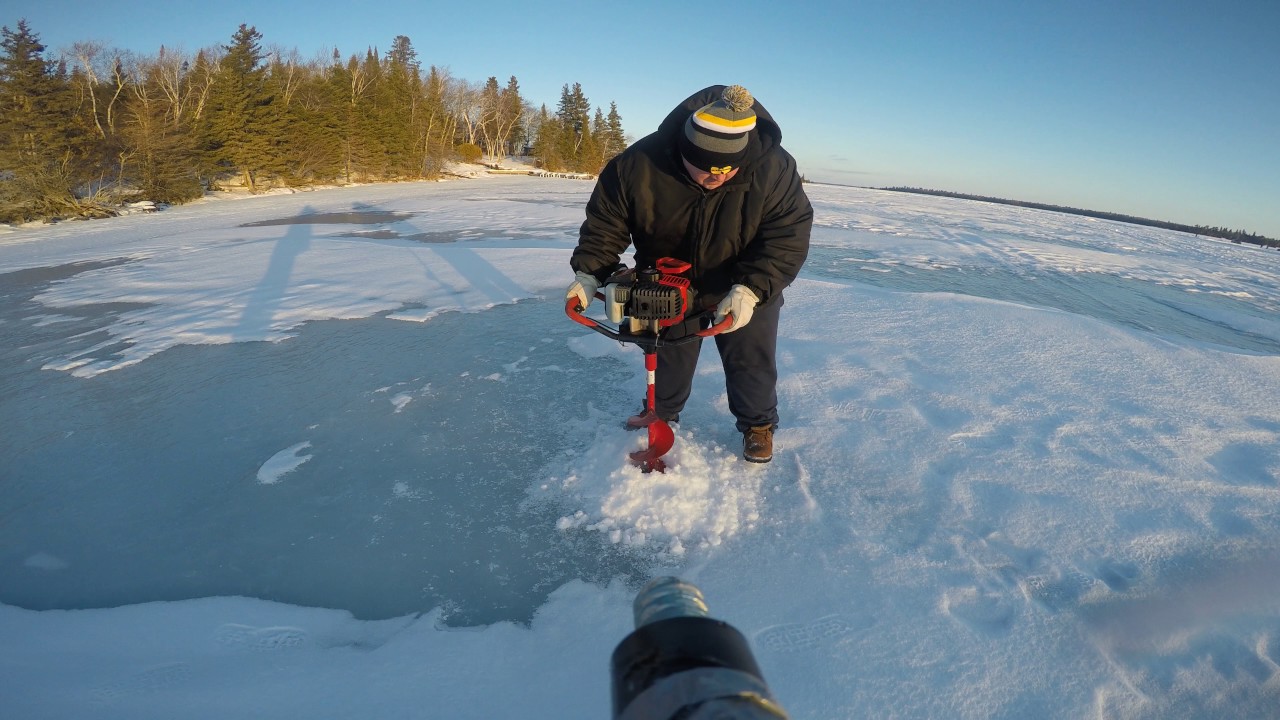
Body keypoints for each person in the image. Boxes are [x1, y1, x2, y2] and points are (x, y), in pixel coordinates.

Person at [566, 84, 812, 464]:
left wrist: (750, 289)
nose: (720, 178)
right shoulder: (637, 165)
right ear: (684, 151)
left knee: (752, 360)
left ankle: (757, 425)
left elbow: (787, 235)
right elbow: (605, 226)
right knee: (665, 359)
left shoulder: (773, 167)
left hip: (743, 283)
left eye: (729, 169)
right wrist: (590, 273)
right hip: (667, 285)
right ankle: (660, 414)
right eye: (709, 170)